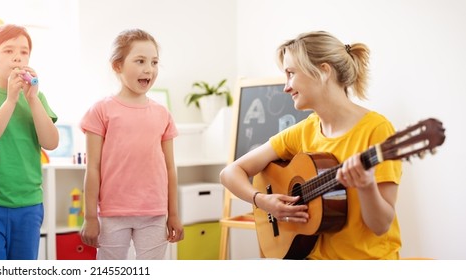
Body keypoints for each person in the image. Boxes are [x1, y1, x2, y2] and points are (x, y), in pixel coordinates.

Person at [219, 31, 403, 259]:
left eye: (290, 74)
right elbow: (230, 173)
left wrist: (366, 186)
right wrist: (263, 201)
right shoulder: (304, 130)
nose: (286, 87)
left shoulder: (376, 130)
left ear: (324, 71)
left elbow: (381, 225)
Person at [79, 29, 184, 260]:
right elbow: (92, 168)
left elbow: (170, 169)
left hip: (154, 214)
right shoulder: (101, 111)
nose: (149, 69)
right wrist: (90, 217)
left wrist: (173, 214)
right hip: (112, 213)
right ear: (117, 66)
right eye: (140, 61)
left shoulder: (162, 114)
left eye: (154, 62)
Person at [0, 23, 59, 260]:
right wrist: (11, 100)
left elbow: (51, 142)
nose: (17, 57)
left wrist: (33, 100)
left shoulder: (37, 98)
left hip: (29, 205)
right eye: (8, 51)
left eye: (24, 51)